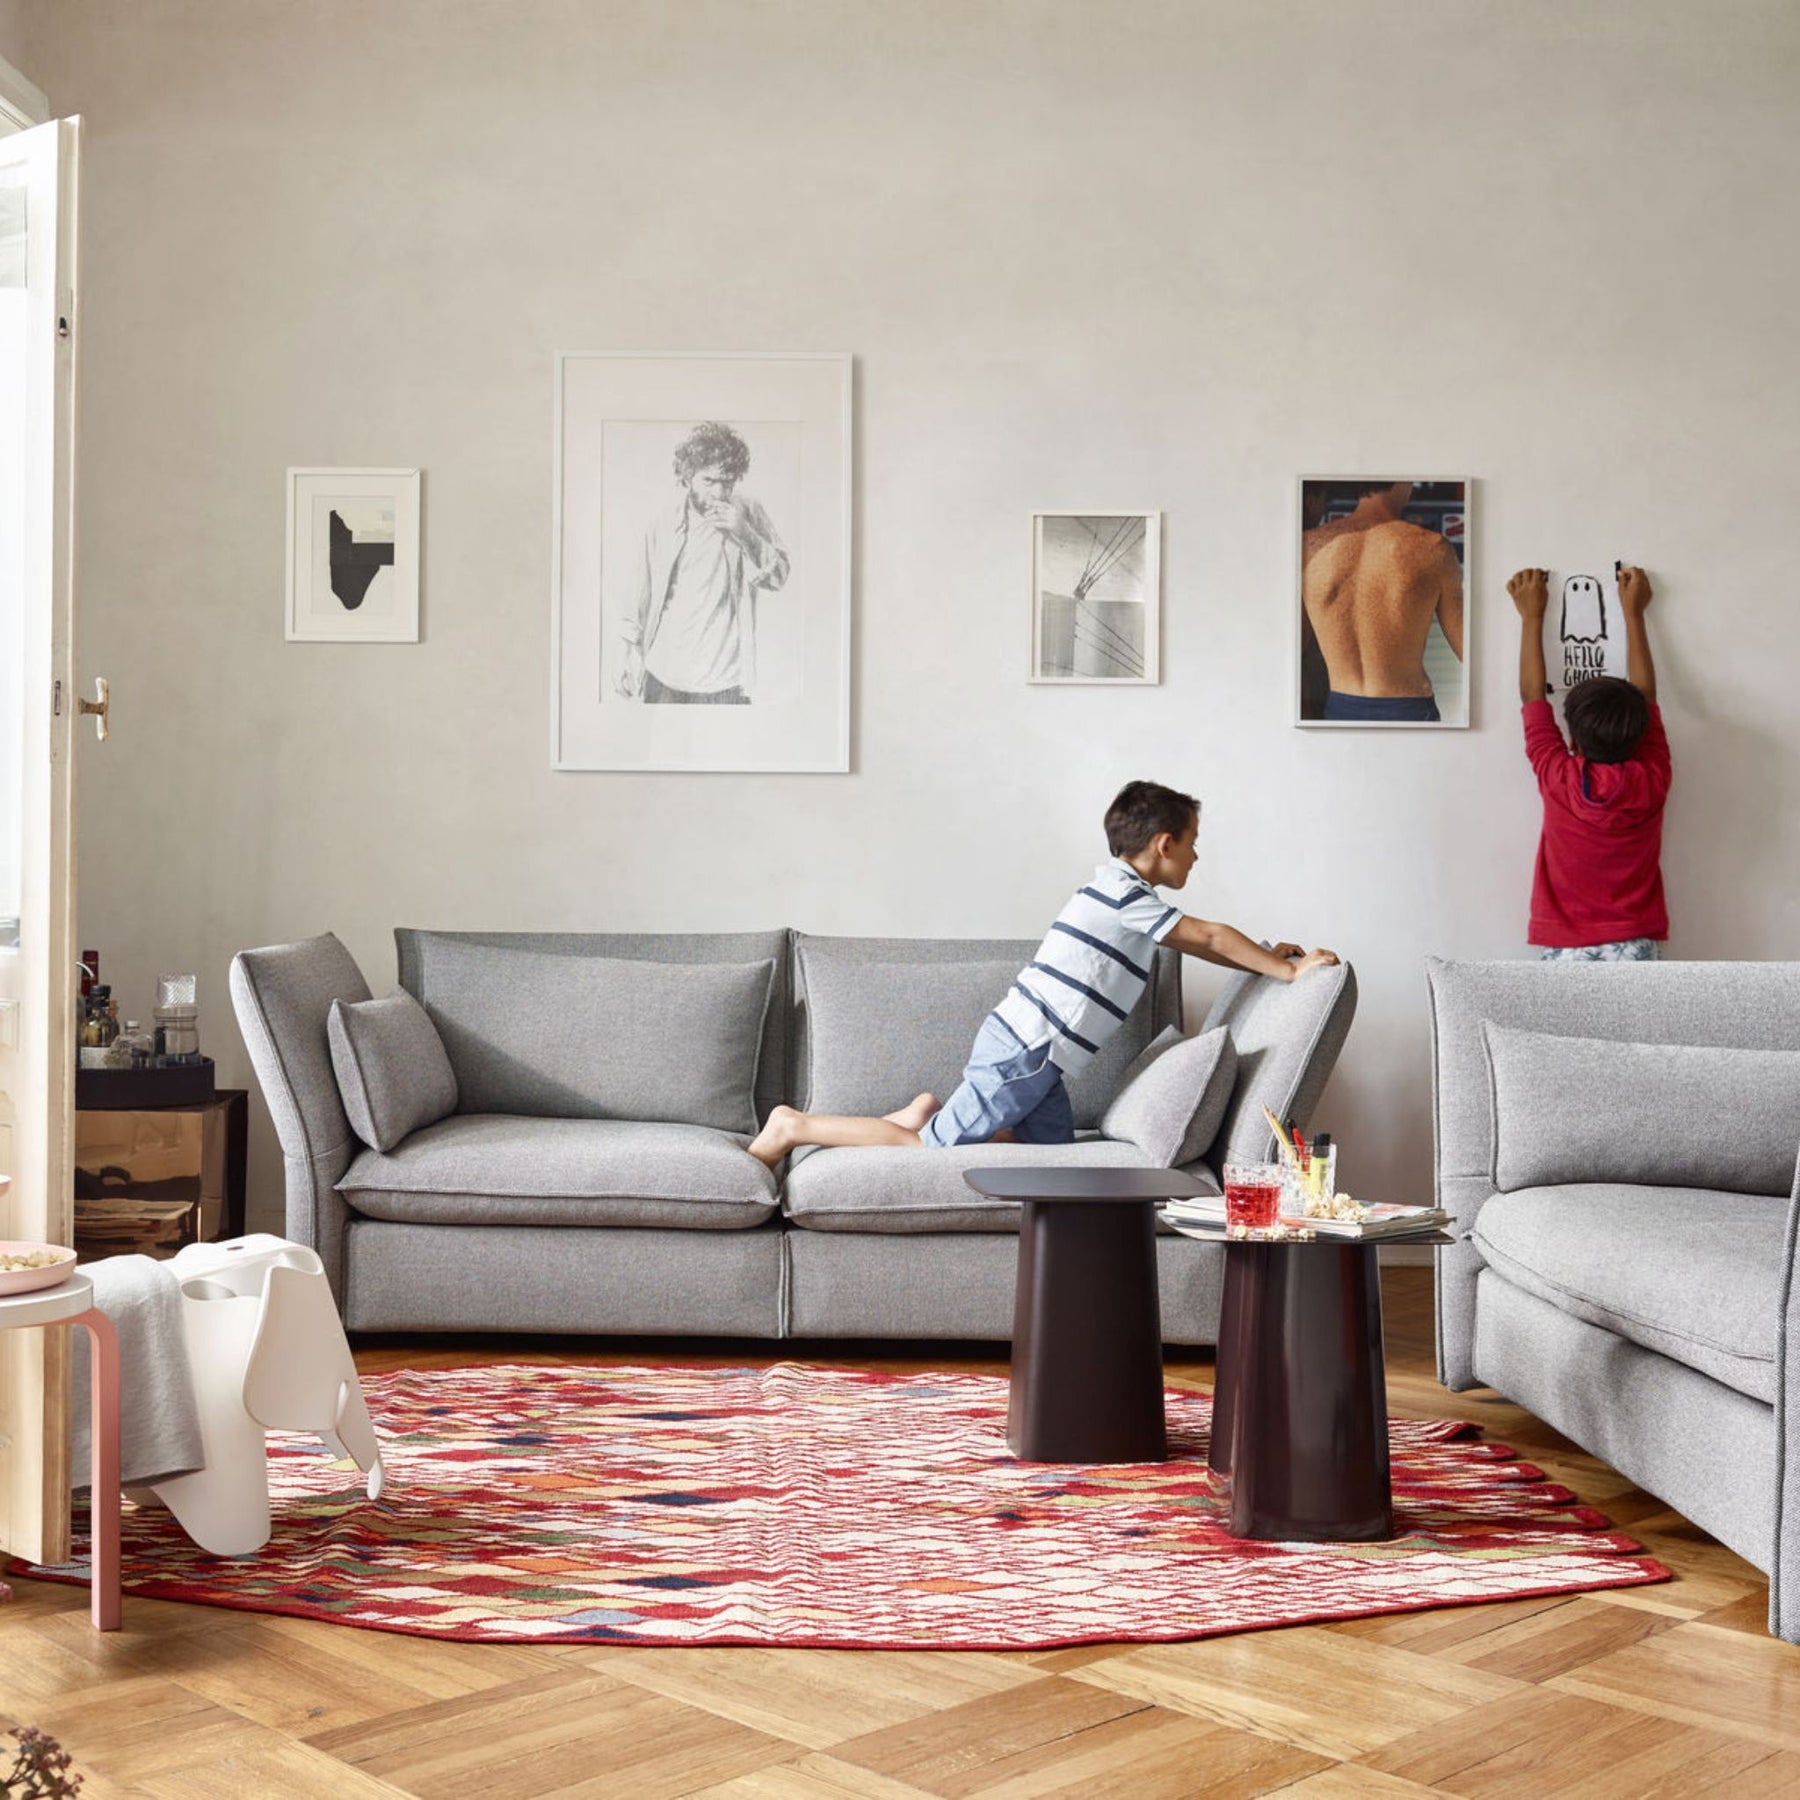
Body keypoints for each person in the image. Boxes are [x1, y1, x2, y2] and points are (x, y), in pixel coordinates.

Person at [746, 781, 1340, 1167]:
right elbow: (1206, 935)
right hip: (1026, 1051)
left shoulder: (1120, 893)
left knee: (1049, 1152)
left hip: (1042, 1058)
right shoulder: (1124, 898)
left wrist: (1270, 957)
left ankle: (926, 1114)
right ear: (1164, 844)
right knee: (928, 1149)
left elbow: (1200, 944)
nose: (1196, 856)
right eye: (1192, 843)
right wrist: (1289, 976)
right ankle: (795, 1126)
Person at [1508, 564, 1670, 961]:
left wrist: (1531, 616)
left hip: (1566, 946)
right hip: (1636, 943)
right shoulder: (1653, 777)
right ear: (1640, 733)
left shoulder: (1558, 776)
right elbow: (1647, 694)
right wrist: (1634, 614)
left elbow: (1532, 696)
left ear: (1572, 741)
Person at [617, 421, 790, 705]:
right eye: (708, 481)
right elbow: (638, 591)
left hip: (726, 681)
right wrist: (624, 655)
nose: (719, 493)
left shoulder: (748, 511)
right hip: (664, 676)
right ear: (687, 477)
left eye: (727, 482)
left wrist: (745, 534)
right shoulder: (664, 520)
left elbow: (779, 576)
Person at [1301, 481, 1464, 722]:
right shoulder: (1432, 548)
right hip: (1409, 709)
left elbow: (1295, 649)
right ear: (1403, 481)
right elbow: (1468, 651)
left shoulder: (1309, 546)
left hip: (1339, 708)